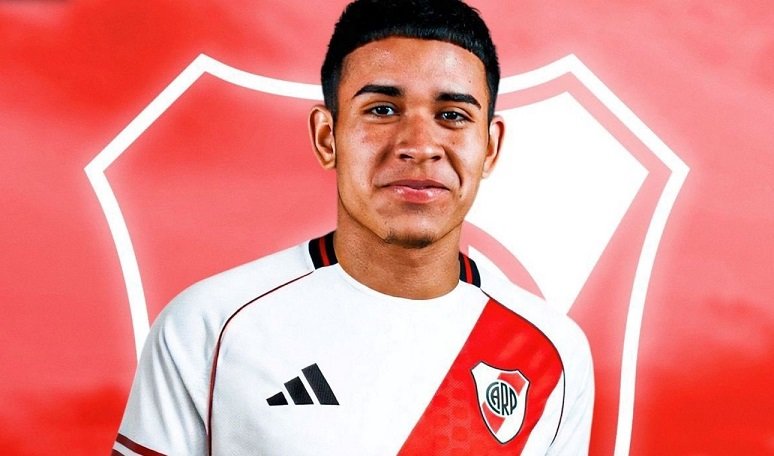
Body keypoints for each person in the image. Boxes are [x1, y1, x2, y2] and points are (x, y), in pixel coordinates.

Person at [113, 0, 594, 454]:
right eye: (382, 110)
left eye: (452, 115)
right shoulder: (209, 326)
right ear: (328, 137)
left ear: (490, 147)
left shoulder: (551, 352)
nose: (419, 145)